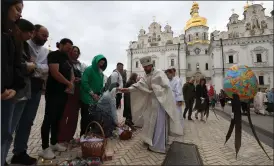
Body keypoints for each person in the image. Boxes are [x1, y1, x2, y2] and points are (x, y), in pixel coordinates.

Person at [119, 56, 183, 154]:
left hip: (161, 103)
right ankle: (150, 140)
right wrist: (127, 89)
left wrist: (155, 89)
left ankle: (158, 145)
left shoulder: (159, 73)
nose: (145, 69)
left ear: (151, 65)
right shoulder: (146, 76)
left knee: (159, 124)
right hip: (152, 103)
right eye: (144, 67)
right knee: (150, 122)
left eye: (147, 67)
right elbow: (139, 85)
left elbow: (167, 87)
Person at [9, 24, 49, 165]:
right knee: (12, 121)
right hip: (22, 86)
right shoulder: (24, 44)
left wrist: (34, 66)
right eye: (43, 35)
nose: (45, 38)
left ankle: (20, 152)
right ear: (34, 33)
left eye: (47, 37)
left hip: (36, 88)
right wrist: (35, 67)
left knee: (27, 121)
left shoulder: (45, 51)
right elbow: (22, 66)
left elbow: (46, 69)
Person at [5, 19, 37, 166]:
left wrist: (31, 67)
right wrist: (28, 66)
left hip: (24, 90)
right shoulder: (9, 42)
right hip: (12, 91)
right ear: (20, 29)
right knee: (7, 128)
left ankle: (19, 152)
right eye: (30, 31)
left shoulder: (24, 46)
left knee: (24, 123)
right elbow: (13, 65)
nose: (31, 35)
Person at [39, 38, 74, 159]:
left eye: (70, 49)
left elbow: (71, 72)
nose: (69, 50)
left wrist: (72, 81)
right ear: (61, 45)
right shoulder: (54, 55)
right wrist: (68, 83)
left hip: (63, 93)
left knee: (58, 118)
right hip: (53, 91)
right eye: (68, 48)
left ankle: (54, 143)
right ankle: (44, 148)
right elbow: (55, 72)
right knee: (49, 118)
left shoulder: (66, 58)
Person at [1, 1, 25, 165]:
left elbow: (14, 65)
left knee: (5, 133)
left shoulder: (10, 36)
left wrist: (15, 88)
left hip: (8, 93)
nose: (19, 14)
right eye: (17, 9)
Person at [58, 46, 83, 144]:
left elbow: (83, 77)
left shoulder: (80, 65)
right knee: (65, 114)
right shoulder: (66, 63)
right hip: (68, 91)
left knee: (74, 115)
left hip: (77, 91)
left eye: (77, 51)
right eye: (74, 51)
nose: (76, 53)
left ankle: (70, 136)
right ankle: (61, 137)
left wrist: (80, 79)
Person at [80, 54, 107, 136]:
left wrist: (99, 94)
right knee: (85, 117)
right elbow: (84, 82)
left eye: (102, 63)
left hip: (95, 98)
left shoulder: (101, 73)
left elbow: (100, 86)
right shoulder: (89, 70)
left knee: (93, 117)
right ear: (96, 61)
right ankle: (83, 134)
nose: (101, 64)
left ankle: (91, 134)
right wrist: (92, 93)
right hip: (87, 97)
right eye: (100, 62)